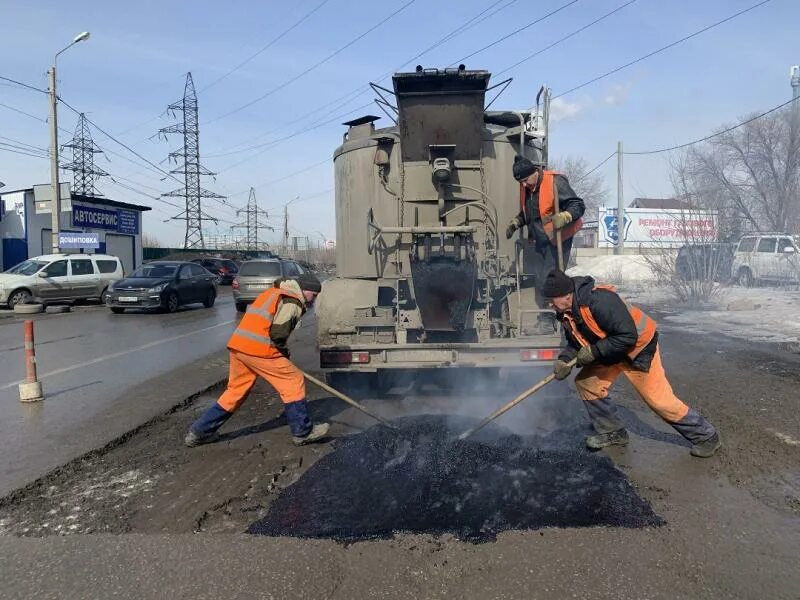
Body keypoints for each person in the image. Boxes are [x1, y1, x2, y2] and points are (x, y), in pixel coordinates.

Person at [541, 269, 721, 458]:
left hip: (637, 349)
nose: (550, 304)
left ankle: (706, 436)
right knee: (587, 384)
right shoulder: (566, 313)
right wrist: (564, 360)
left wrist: (595, 351)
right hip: (611, 351)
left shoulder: (599, 301)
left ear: (565, 296)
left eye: (551, 299)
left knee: (659, 401)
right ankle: (612, 432)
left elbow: (627, 336)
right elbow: (575, 342)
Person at [185, 273, 329, 448]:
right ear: (306, 290)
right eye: (313, 296)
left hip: (239, 346)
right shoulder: (292, 301)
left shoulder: (274, 293)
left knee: (235, 392)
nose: (312, 301)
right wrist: (283, 354)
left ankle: (199, 432)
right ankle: (303, 432)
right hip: (259, 349)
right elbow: (278, 334)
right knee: (293, 380)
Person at [506, 155, 585, 316]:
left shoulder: (555, 182)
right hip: (542, 240)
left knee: (550, 278)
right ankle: (548, 312)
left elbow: (578, 205)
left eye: (525, 180)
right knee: (539, 277)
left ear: (535, 172)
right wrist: (517, 222)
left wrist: (565, 216)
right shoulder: (528, 188)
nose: (523, 184)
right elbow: (531, 213)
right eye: (520, 182)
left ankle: (551, 318)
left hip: (559, 238)